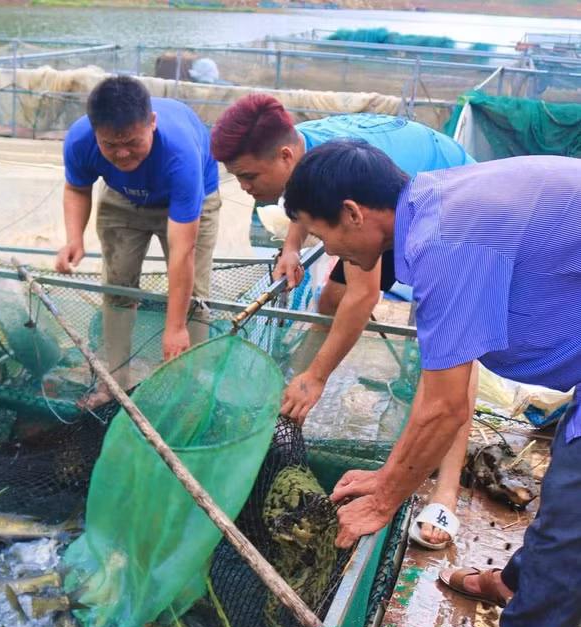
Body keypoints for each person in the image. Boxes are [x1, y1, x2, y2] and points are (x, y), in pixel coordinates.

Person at [282, 139, 581, 627]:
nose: (330, 251)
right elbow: (442, 389)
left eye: (322, 233)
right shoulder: (433, 206)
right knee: (566, 483)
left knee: (574, 507)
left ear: (352, 213)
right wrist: (390, 477)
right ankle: (517, 586)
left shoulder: (445, 240)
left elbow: (446, 408)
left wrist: (383, 500)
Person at [209, 95, 477, 549]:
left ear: (287, 156)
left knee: (450, 350)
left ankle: (446, 491)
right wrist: (292, 246)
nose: (245, 188)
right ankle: (304, 387)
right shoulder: (310, 154)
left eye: (249, 176)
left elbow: (364, 294)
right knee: (330, 294)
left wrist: (318, 376)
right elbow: (307, 205)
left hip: (442, 193)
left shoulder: (415, 226)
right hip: (391, 204)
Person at [56, 76, 220, 408]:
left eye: (132, 141)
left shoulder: (180, 152)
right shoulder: (80, 140)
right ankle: (113, 385)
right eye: (110, 145)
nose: (122, 153)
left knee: (193, 300)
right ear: (95, 132)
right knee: (117, 288)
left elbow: (182, 250)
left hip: (186, 199)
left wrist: (173, 328)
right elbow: (76, 188)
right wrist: (74, 238)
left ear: (152, 124)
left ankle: (190, 394)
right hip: (122, 198)